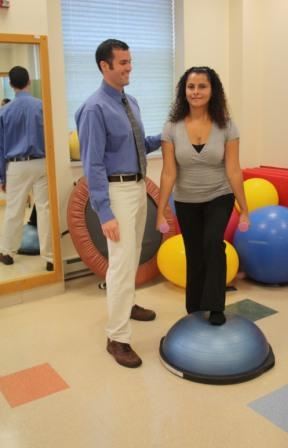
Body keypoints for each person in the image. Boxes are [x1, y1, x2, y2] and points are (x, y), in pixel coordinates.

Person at [75, 39, 161, 368]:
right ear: (104, 66)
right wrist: (104, 212)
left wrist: (165, 136)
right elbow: (92, 165)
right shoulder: (95, 108)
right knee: (122, 265)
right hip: (116, 193)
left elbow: (138, 145)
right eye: (122, 63)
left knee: (132, 256)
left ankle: (128, 305)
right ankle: (117, 337)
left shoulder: (131, 102)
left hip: (137, 186)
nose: (129, 68)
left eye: (130, 62)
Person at [157, 66, 249, 325]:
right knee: (194, 250)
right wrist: (162, 208)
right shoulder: (172, 128)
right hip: (186, 200)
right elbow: (168, 173)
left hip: (219, 195)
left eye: (202, 86)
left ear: (213, 91)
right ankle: (195, 306)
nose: (196, 92)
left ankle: (215, 306)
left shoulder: (227, 126)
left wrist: (245, 207)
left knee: (212, 242)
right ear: (184, 91)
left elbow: (233, 169)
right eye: (191, 87)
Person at [0, 66, 52, 270]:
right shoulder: (41, 106)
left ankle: (7, 253)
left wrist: (2, 177)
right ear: (29, 81)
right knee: (45, 210)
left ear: (11, 85)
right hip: (42, 162)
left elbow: (1, 147)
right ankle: (50, 258)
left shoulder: (4, 112)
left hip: (16, 166)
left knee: (14, 209)